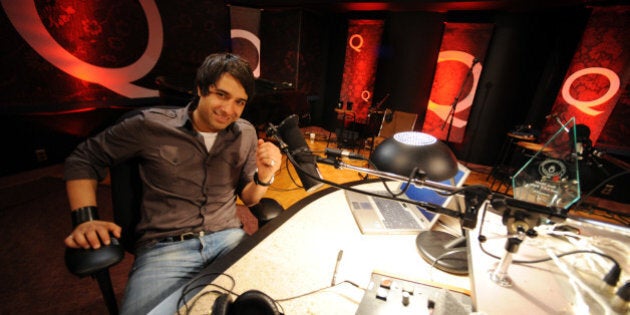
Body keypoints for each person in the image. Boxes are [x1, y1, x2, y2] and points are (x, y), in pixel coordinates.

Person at [63, 53, 282, 314]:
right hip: (164, 249)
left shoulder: (244, 132)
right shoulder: (148, 126)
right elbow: (84, 157)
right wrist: (86, 218)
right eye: (221, 95)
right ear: (200, 89)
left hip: (228, 239)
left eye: (239, 102)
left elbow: (251, 198)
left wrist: (266, 173)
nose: (229, 110)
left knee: (276, 298)